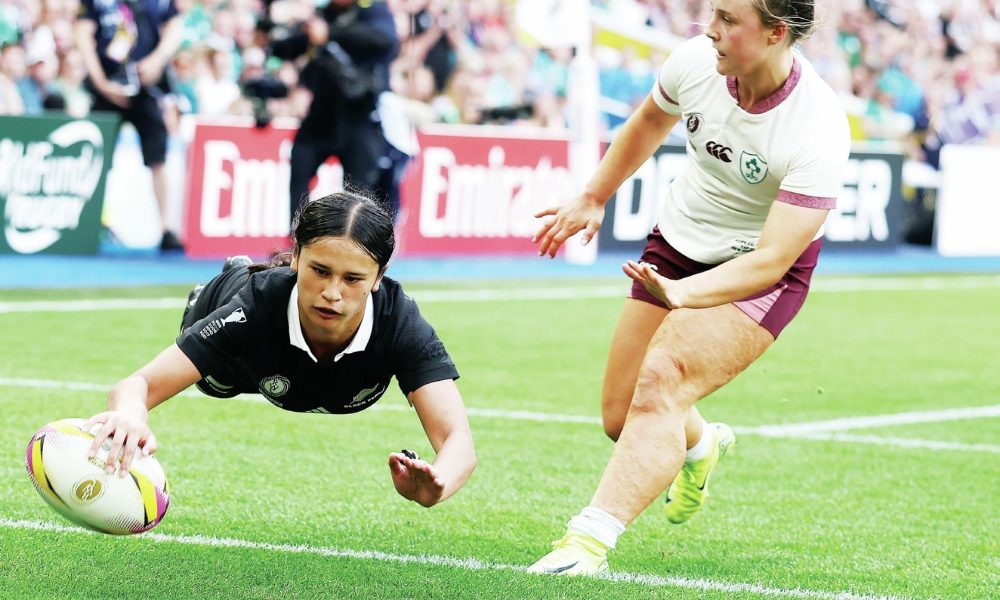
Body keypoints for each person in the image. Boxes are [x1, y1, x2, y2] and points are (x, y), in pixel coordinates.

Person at [528, 0, 850, 575]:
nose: (711, 30)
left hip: (760, 269)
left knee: (663, 378)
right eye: (712, 13)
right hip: (679, 241)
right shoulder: (695, 62)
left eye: (729, 20)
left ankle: (587, 543)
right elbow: (650, 121)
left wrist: (685, 296)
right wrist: (594, 195)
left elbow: (773, 258)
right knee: (620, 417)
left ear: (776, 32)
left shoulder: (819, 124)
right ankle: (701, 444)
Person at [84, 190, 476, 509]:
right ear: (297, 257)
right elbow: (136, 385)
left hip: (329, 384)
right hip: (242, 356)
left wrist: (437, 484)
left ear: (379, 277)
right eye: (320, 270)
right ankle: (223, 283)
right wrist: (130, 415)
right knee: (214, 382)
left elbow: (457, 439)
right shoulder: (256, 305)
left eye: (353, 278)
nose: (332, 292)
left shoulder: (400, 322)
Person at [268, 0, 400, 223]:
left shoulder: (372, 10)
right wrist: (279, 32)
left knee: (359, 197)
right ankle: (299, 237)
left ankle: (355, 242)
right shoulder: (321, 14)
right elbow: (285, 48)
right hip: (321, 115)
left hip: (360, 116)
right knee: (299, 171)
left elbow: (384, 40)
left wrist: (331, 33)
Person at [75, 0, 185, 252]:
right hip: (106, 88)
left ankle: (166, 229)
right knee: (96, 157)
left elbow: (175, 28)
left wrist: (157, 60)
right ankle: (89, 224)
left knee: (158, 158)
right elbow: (83, 35)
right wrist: (101, 82)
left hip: (146, 87)